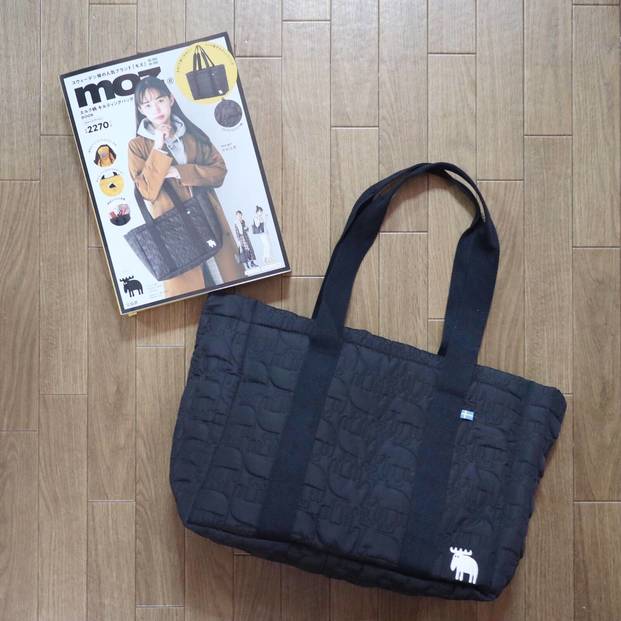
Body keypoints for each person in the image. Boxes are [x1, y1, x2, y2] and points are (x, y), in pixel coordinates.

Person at [127, 76, 243, 298]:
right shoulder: (137, 146)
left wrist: (180, 172)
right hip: (174, 230)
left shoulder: (192, 135)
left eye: (160, 100)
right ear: (141, 110)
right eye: (148, 105)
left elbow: (219, 172)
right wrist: (158, 147)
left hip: (208, 217)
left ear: (171, 99)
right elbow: (146, 192)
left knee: (230, 285)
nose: (156, 109)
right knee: (193, 296)